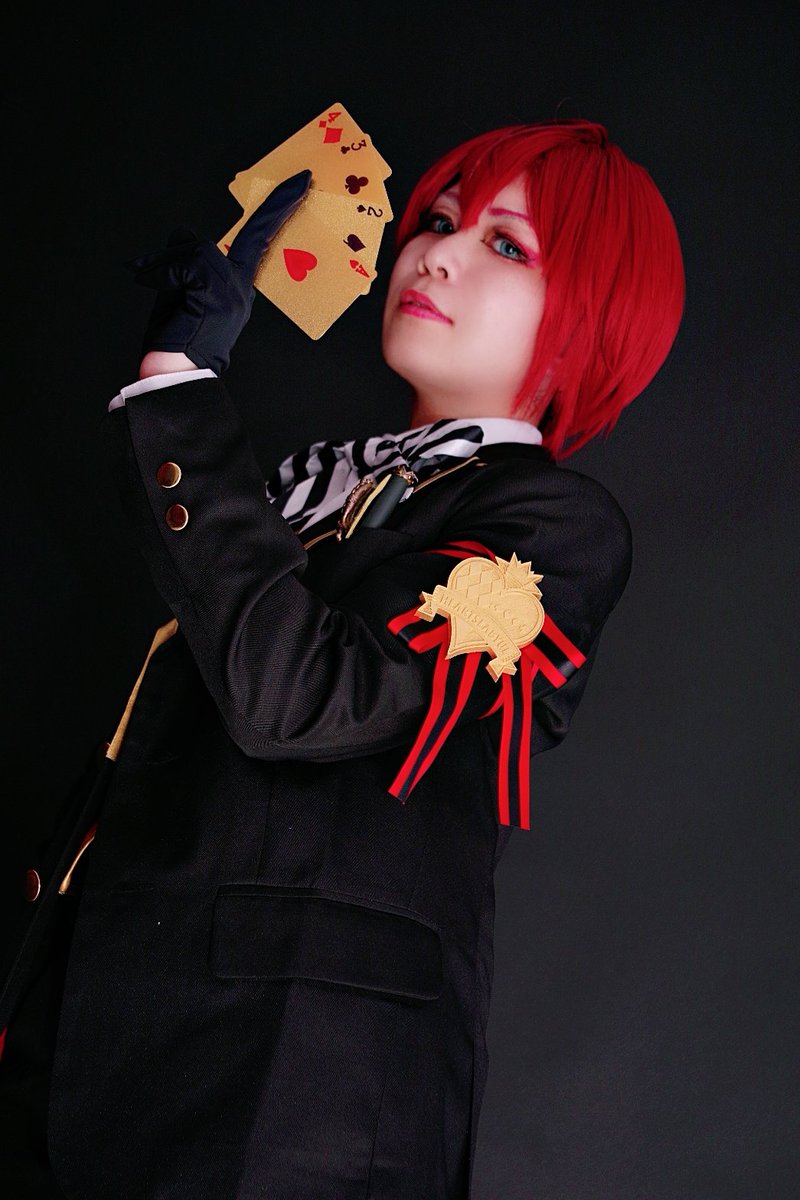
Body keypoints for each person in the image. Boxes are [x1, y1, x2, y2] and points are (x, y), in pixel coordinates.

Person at [1, 118, 684, 1198]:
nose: (436, 254)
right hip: (86, 1054)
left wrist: (177, 394)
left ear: (590, 323)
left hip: (286, 1106)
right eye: (439, 221)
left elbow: (301, 696)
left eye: (505, 244)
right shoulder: (309, 487)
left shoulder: (555, 531)